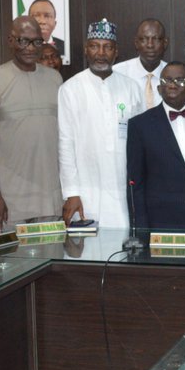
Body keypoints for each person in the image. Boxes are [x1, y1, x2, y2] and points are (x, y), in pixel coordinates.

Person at [0, 16, 63, 230]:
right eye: (23, 41)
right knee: (14, 263)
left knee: (54, 262)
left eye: (37, 42)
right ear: (11, 41)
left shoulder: (55, 79)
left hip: (51, 201)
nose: (30, 48)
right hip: (11, 203)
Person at [58, 19, 143, 227]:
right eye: (95, 46)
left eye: (107, 47)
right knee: (88, 252)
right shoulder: (70, 89)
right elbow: (65, 143)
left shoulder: (131, 88)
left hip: (123, 189)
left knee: (123, 250)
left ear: (116, 52)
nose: (101, 53)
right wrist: (72, 192)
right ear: (87, 50)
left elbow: (141, 142)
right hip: (86, 190)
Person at [126, 62, 185, 230]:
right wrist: (140, 229)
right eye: (167, 80)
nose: (172, 85)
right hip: (161, 223)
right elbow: (136, 184)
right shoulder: (140, 125)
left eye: (180, 80)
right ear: (159, 89)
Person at [113, 18, 168, 109]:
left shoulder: (175, 76)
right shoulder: (118, 73)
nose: (150, 45)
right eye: (144, 39)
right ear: (136, 43)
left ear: (165, 43)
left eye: (156, 39)